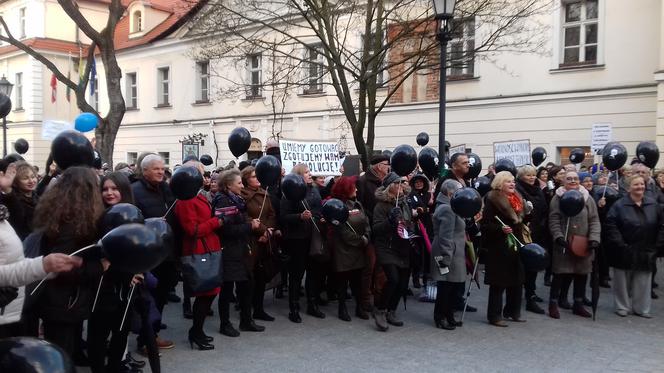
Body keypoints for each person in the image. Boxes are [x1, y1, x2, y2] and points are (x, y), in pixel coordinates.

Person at [27, 167, 106, 356]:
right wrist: (98, 267)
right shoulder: (71, 222)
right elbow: (63, 266)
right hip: (62, 301)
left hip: (57, 299)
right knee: (60, 354)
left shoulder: (57, 214)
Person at [88, 172, 147, 372]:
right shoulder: (97, 217)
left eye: (114, 189)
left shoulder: (134, 215)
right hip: (103, 286)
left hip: (127, 287)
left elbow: (139, 248)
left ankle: (115, 367)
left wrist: (140, 270)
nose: (109, 193)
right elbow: (100, 255)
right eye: (105, 189)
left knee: (121, 332)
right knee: (98, 334)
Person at [0, 203, 82, 338]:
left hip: (10, 310)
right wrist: (41, 266)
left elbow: (13, 262)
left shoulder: (2, 216)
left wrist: (48, 268)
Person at [175, 163, 223, 349]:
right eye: (202, 175)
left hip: (208, 246)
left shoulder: (196, 196)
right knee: (205, 293)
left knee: (210, 293)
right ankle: (195, 332)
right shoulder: (185, 201)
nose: (205, 178)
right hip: (199, 250)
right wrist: (216, 222)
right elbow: (192, 230)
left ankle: (198, 331)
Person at [131, 154, 176, 349]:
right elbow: (132, 221)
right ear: (145, 170)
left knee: (161, 296)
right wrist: (151, 223)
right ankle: (145, 340)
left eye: (162, 168)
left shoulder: (166, 189)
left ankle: (153, 334)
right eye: (156, 168)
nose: (161, 172)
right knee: (149, 299)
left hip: (167, 253)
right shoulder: (135, 191)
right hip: (147, 254)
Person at [213, 169, 265, 336]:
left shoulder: (236, 199)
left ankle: (246, 319)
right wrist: (249, 226)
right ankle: (225, 324)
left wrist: (250, 223)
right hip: (229, 250)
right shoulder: (222, 200)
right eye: (239, 183)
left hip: (240, 248)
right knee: (227, 288)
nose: (242, 186)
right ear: (229, 185)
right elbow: (225, 229)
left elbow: (239, 219)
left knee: (247, 284)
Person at [604, 175, 664, 318]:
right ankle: (622, 306)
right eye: (636, 184)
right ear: (629, 187)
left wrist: (658, 244)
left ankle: (642, 308)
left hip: (646, 248)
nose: (640, 187)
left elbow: (661, 225)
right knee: (622, 280)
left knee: (643, 280)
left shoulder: (653, 204)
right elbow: (611, 225)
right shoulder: (619, 205)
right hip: (624, 248)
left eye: (642, 184)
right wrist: (620, 243)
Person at [548, 171, 601, 319]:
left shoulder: (588, 198)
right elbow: (554, 220)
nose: (573, 181)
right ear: (563, 181)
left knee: (581, 274)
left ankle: (578, 304)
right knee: (559, 274)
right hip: (564, 243)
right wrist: (558, 237)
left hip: (583, 243)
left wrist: (594, 238)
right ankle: (553, 303)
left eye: (576, 178)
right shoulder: (557, 198)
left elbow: (594, 220)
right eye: (569, 178)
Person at [481, 171, 527, 327]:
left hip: (516, 244)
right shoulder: (493, 199)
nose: (512, 184)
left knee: (517, 280)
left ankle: (513, 311)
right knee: (498, 283)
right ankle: (494, 316)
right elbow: (486, 225)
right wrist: (500, 229)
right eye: (508, 182)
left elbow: (521, 220)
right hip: (499, 247)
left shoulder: (517, 199)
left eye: (513, 181)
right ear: (500, 184)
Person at [280, 164, 324, 323]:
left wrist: (319, 217)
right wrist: (299, 216)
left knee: (313, 271)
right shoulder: (289, 192)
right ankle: (294, 308)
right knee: (297, 274)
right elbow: (283, 217)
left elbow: (318, 209)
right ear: (298, 175)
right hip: (296, 239)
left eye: (309, 171)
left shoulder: (314, 190)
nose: (310, 174)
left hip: (313, 235)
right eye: (306, 172)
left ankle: (312, 304)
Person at [371, 172, 413, 331]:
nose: (402, 185)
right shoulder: (381, 206)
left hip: (402, 245)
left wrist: (410, 227)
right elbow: (376, 229)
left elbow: (409, 222)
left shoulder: (404, 203)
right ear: (391, 186)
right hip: (386, 247)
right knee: (393, 279)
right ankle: (380, 310)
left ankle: (392, 310)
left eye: (403, 183)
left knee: (403, 284)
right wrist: (390, 221)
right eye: (398, 183)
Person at [329, 176, 371, 321]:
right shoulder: (337, 207)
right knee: (343, 281)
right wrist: (360, 240)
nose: (357, 189)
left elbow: (366, 222)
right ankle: (342, 309)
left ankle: (359, 308)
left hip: (359, 249)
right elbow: (341, 231)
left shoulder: (357, 204)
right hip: (344, 250)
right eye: (354, 187)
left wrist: (366, 235)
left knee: (357, 281)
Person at [241, 166, 279, 322]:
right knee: (249, 278)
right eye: (253, 176)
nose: (257, 179)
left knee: (261, 276)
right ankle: (246, 311)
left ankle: (259, 308)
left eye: (258, 176)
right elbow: (244, 217)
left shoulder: (265, 194)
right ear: (246, 180)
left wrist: (268, 231)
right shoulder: (243, 196)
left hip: (265, 240)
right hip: (251, 241)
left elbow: (271, 214)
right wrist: (262, 231)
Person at [355, 155, 390, 314]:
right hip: (370, 229)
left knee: (381, 268)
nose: (388, 167)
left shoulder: (388, 181)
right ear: (377, 166)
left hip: (384, 230)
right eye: (385, 164)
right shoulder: (362, 182)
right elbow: (360, 205)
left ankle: (379, 296)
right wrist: (373, 217)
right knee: (369, 266)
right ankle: (365, 299)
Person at [431, 179, 465, 330]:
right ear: (451, 193)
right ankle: (441, 317)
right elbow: (445, 236)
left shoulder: (450, 206)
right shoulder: (448, 209)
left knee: (452, 286)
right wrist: (446, 256)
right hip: (447, 251)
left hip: (453, 250)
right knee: (445, 286)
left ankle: (449, 316)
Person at [515, 165, 548, 315]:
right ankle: (525, 296)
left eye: (534, 175)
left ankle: (531, 292)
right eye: (528, 175)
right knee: (523, 266)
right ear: (521, 177)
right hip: (523, 232)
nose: (532, 177)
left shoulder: (538, 190)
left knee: (534, 264)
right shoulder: (518, 190)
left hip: (538, 232)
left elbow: (543, 210)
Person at [408, 173, 434, 289]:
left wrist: (423, 209)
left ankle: (426, 278)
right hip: (416, 227)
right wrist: (424, 209)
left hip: (427, 226)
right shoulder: (410, 194)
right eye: (416, 182)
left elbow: (430, 208)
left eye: (420, 182)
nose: (418, 184)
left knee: (428, 252)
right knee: (416, 253)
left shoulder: (429, 195)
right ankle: (416, 277)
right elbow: (414, 209)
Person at [1, 161, 39, 240]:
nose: (31, 181)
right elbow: (18, 216)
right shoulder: (12, 200)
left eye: (33, 176)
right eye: (25, 178)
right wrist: (7, 189)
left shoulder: (37, 197)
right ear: (15, 182)